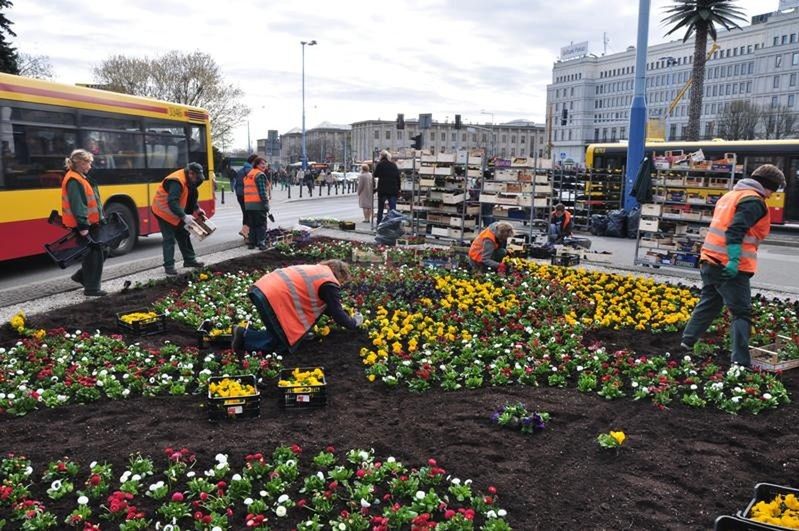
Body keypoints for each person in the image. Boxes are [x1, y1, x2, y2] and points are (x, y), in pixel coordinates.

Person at [680, 164, 786, 368]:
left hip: (709, 260)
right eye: (774, 189)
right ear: (768, 186)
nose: (773, 194)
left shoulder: (731, 196)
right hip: (729, 267)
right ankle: (740, 362)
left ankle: (687, 342)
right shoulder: (754, 201)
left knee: (710, 303)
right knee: (741, 313)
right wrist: (734, 260)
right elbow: (735, 230)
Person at [231, 259, 364, 353]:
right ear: (340, 275)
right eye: (343, 281)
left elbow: (329, 307)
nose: (340, 285)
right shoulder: (330, 283)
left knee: (280, 334)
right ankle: (243, 335)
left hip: (261, 289)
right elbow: (336, 313)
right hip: (271, 297)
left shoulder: (319, 271)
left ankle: (244, 335)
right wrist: (353, 323)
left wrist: (344, 313)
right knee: (283, 344)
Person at [61, 149, 107, 296]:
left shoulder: (79, 177)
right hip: (85, 226)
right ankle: (92, 288)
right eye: (89, 163)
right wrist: (83, 226)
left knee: (102, 251)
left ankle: (81, 276)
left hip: (91, 223)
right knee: (94, 255)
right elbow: (78, 204)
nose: (90, 166)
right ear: (81, 163)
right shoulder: (74, 180)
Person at [151, 162, 207, 276]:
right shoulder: (176, 181)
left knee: (184, 235)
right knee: (169, 238)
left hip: (176, 211)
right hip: (163, 211)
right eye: (196, 177)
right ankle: (169, 266)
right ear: (191, 173)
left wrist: (197, 210)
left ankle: (189, 260)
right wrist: (184, 216)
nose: (197, 181)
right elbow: (172, 202)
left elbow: (191, 196)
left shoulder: (190, 180)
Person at [244, 157, 272, 250]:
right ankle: (261, 243)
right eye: (262, 164)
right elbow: (262, 191)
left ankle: (252, 243)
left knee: (252, 224)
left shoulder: (250, 174)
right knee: (261, 224)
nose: (264, 165)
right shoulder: (259, 175)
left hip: (248, 204)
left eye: (265, 163)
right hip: (258, 204)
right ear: (256, 165)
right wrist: (265, 204)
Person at [231, 154, 257, 240]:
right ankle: (245, 232)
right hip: (247, 195)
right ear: (253, 162)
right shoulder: (250, 171)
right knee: (250, 214)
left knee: (245, 213)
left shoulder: (241, 170)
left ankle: (246, 234)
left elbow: (236, 184)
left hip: (239, 195)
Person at [373, 150, 400, 225]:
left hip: (383, 190)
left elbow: (375, 175)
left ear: (381, 156)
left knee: (380, 209)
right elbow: (398, 178)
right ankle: (393, 225)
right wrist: (399, 188)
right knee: (393, 209)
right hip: (393, 190)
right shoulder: (393, 165)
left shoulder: (380, 164)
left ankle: (379, 225)